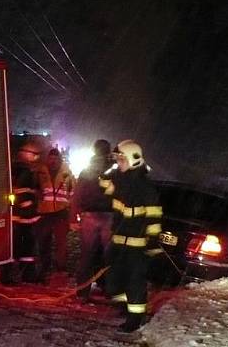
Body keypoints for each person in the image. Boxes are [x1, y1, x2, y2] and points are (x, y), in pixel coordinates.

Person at [100, 140, 163, 333]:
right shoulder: (120, 180)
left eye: (121, 159)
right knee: (112, 280)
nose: (119, 162)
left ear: (133, 160)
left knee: (134, 282)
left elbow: (154, 214)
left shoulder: (145, 186)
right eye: (117, 159)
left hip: (137, 244)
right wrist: (111, 168)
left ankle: (135, 318)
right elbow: (103, 185)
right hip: (118, 241)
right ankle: (123, 308)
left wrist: (153, 239)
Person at [71, 139, 115, 302]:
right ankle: (110, 290)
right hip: (109, 216)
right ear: (108, 151)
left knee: (86, 256)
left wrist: (73, 217)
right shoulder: (114, 170)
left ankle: (82, 292)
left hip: (89, 216)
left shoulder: (86, 171)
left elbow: (77, 195)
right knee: (110, 256)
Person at [1, 142, 46, 284]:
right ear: (26, 154)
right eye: (35, 155)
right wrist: (32, 213)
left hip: (16, 218)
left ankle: (12, 275)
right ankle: (21, 275)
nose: (37, 158)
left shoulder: (14, 170)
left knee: (16, 248)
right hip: (23, 218)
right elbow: (25, 195)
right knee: (24, 246)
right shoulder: (24, 171)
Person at [35, 148, 75, 275]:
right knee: (44, 241)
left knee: (61, 242)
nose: (53, 161)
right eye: (50, 158)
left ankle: (60, 267)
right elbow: (35, 189)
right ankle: (44, 266)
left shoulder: (67, 173)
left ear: (59, 159)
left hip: (61, 212)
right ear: (47, 159)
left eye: (55, 158)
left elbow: (73, 192)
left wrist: (71, 209)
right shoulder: (40, 172)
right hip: (44, 211)